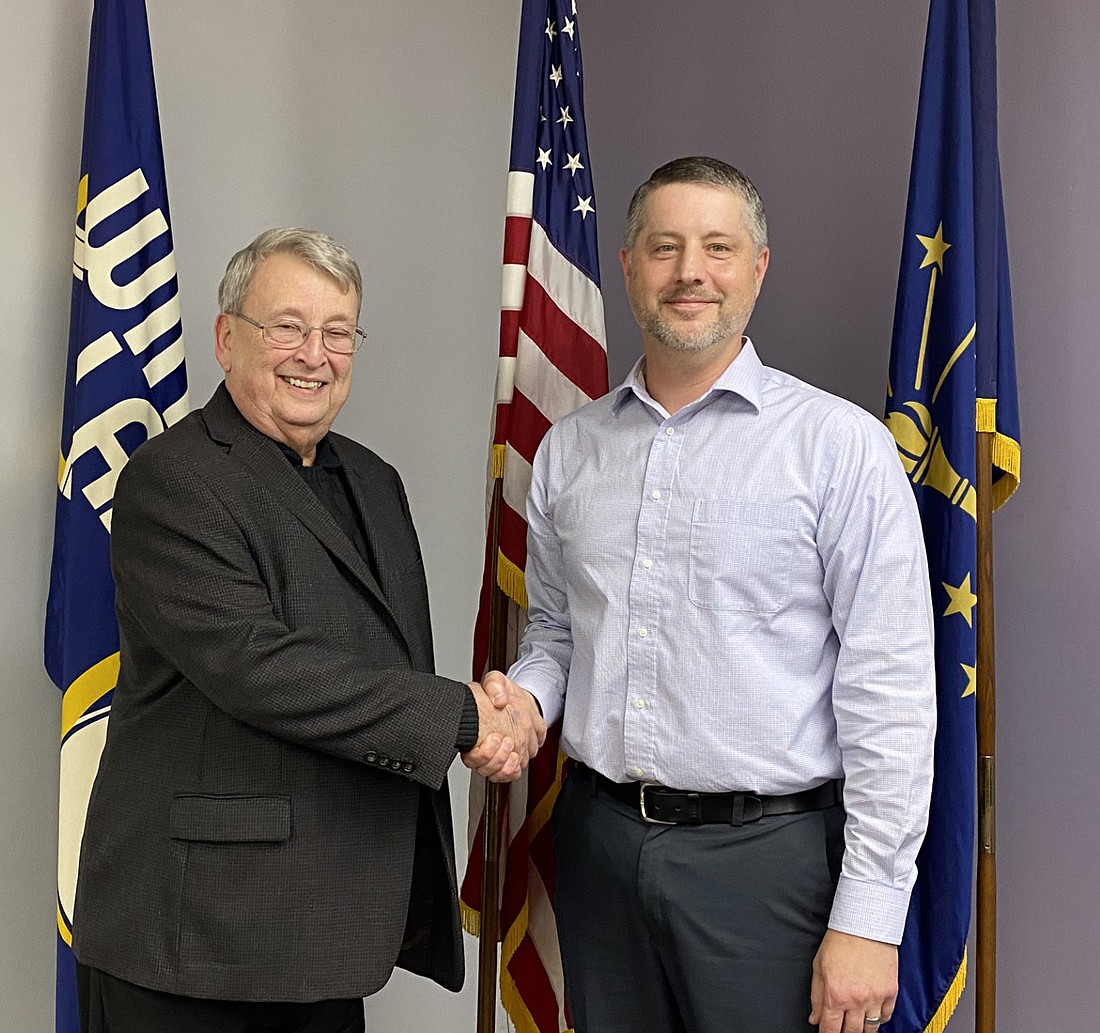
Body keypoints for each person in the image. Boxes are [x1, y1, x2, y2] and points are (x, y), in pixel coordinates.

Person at [484, 158, 937, 1033]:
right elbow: (556, 636)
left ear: (756, 269)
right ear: (628, 267)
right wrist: (524, 705)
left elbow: (891, 692)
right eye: (665, 247)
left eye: (717, 247)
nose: (690, 271)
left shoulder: (837, 447)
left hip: (769, 862)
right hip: (600, 845)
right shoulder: (571, 452)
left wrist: (870, 918)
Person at [72, 228, 544, 1033]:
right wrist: (466, 717)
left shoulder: (372, 479)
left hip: (323, 926)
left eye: (337, 331)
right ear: (228, 338)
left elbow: (385, 660)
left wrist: (494, 710)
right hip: (196, 941)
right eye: (286, 326)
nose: (313, 354)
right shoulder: (174, 477)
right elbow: (257, 665)